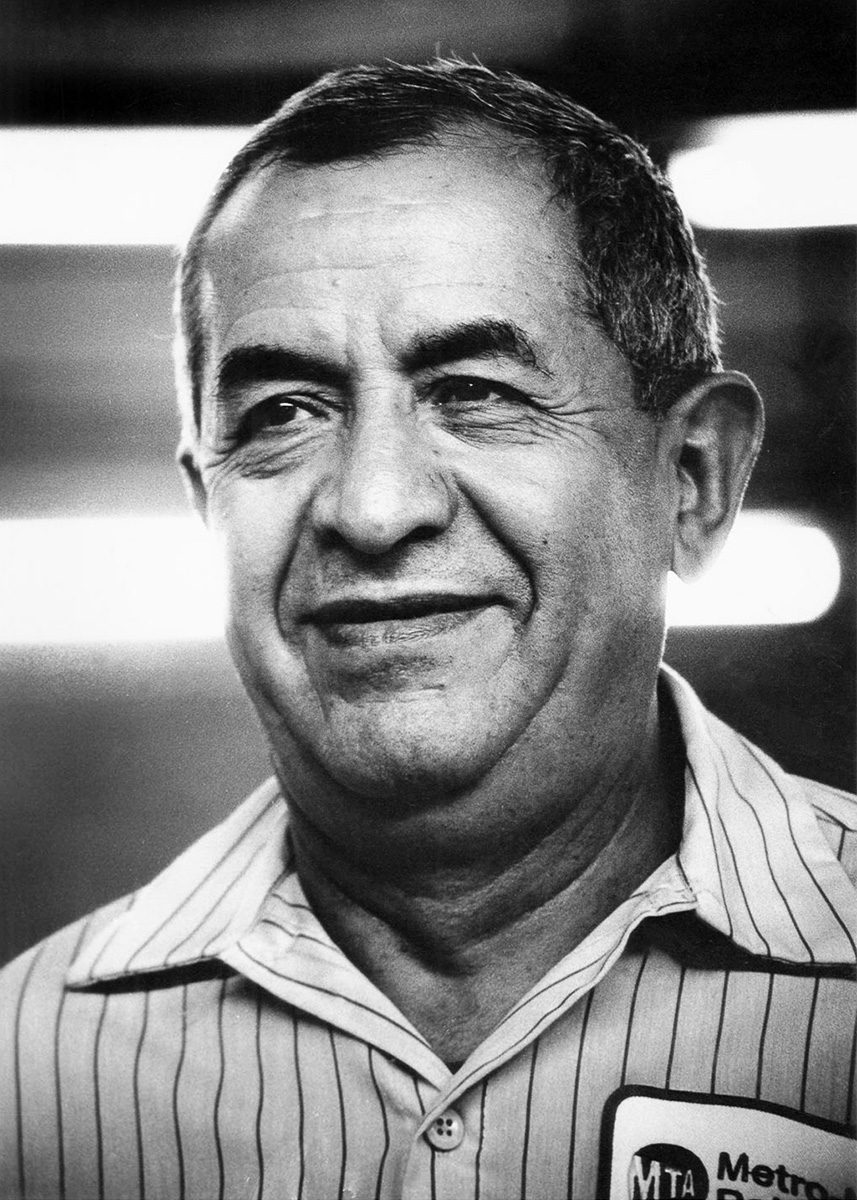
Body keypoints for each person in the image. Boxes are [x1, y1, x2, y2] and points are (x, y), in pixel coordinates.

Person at [1, 59, 854, 1200]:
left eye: (474, 391)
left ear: (691, 478)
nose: (371, 506)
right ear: (210, 508)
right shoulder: (28, 1082)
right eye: (283, 413)